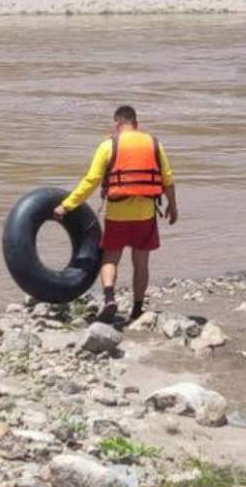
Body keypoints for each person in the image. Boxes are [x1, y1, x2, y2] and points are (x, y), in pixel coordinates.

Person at [55, 106, 177, 324]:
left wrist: (67, 205)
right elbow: (167, 179)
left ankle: (110, 298)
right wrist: (173, 206)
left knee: (110, 258)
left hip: (117, 215)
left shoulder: (108, 145)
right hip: (145, 215)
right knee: (141, 263)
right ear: (136, 124)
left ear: (117, 123)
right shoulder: (154, 144)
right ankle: (137, 310)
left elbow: (92, 180)